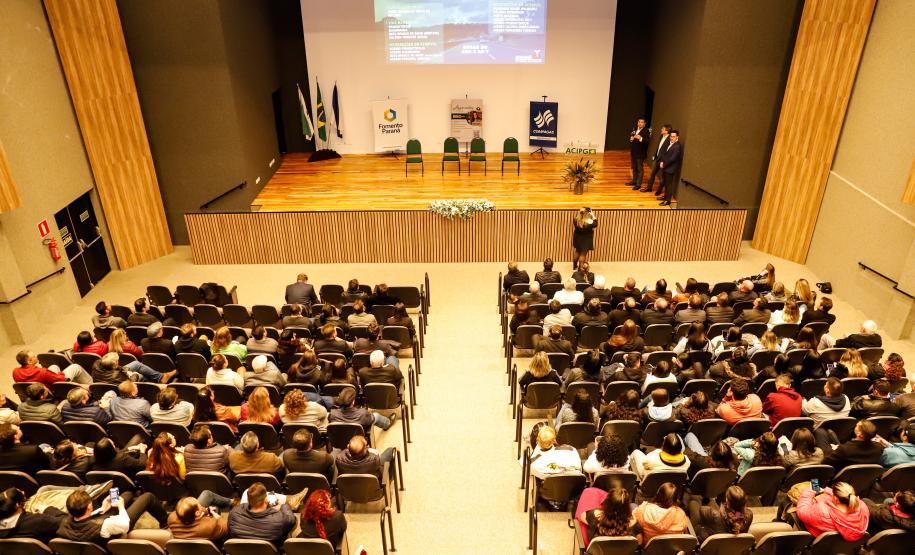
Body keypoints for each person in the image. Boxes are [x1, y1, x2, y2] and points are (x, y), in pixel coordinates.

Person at [57, 488, 167, 545]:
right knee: (148, 497)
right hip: (117, 529)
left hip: (97, 526)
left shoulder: (65, 522)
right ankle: (165, 522)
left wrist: (102, 509)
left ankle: (128, 496)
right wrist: (121, 507)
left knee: (126, 495)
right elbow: (125, 525)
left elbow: (85, 520)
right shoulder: (104, 525)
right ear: (89, 507)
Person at [228, 482, 297, 546]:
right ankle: (290, 500)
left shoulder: (234, 514)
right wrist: (282, 506)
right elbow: (291, 519)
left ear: (248, 500)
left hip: (243, 551)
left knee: (246, 490)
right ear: (266, 500)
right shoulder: (278, 519)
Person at [795, 481, 869, 541]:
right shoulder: (863, 506)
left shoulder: (821, 512)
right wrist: (825, 490)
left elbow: (802, 510)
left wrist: (810, 490)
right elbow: (844, 496)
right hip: (837, 544)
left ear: (836, 499)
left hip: (816, 537)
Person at [0, 487, 67, 543]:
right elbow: (67, 521)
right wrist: (46, 509)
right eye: (20, 492)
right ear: (17, 505)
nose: (23, 492)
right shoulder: (39, 521)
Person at [687, 485, 752, 542]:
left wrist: (722, 509)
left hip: (709, 540)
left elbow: (701, 510)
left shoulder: (714, 514)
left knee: (693, 503)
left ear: (727, 500)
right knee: (711, 502)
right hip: (728, 545)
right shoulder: (749, 515)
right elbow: (737, 514)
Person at [820, 420, 884, 470]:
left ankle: (815, 486)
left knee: (819, 431)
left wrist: (833, 450)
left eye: (857, 426)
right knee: (830, 432)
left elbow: (824, 464)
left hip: (840, 480)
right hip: (861, 478)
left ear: (859, 434)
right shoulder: (878, 447)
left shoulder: (844, 449)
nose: (855, 425)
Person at [13, 350, 91, 385]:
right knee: (75, 367)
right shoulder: (42, 372)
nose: (36, 357)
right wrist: (60, 374)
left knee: (54, 366)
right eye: (34, 356)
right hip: (51, 389)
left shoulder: (15, 372)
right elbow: (61, 379)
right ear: (29, 362)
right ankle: (91, 385)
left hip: (37, 387)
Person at [93, 351, 173, 384]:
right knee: (142, 375)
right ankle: (154, 382)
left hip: (111, 375)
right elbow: (130, 381)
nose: (118, 361)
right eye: (117, 361)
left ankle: (160, 376)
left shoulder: (97, 365)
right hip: (119, 381)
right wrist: (135, 374)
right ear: (114, 365)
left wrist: (124, 370)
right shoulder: (117, 376)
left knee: (136, 364)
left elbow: (117, 369)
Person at [644, 123, 671, 193]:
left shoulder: (669, 139)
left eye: (663, 129)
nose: (661, 130)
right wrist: (655, 155)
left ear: (667, 131)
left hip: (663, 161)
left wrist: (663, 161)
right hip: (657, 159)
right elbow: (659, 148)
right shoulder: (661, 136)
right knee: (652, 174)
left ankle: (659, 191)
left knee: (662, 178)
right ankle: (649, 188)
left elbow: (668, 152)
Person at [657, 130, 682, 206]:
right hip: (666, 167)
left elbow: (673, 158)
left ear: (677, 137)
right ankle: (665, 196)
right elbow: (665, 154)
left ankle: (667, 201)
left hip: (670, 169)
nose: (671, 138)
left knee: (669, 185)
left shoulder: (677, 146)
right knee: (666, 183)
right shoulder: (670, 143)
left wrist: (664, 164)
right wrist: (662, 161)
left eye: (673, 136)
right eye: (671, 136)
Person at [627, 117, 650, 190]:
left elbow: (647, 142)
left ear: (644, 124)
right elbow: (634, 139)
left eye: (642, 122)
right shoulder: (635, 130)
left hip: (640, 153)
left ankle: (638, 184)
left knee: (640, 169)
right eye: (639, 122)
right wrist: (631, 139)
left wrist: (640, 138)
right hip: (634, 152)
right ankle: (634, 181)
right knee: (634, 168)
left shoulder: (646, 131)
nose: (640, 123)